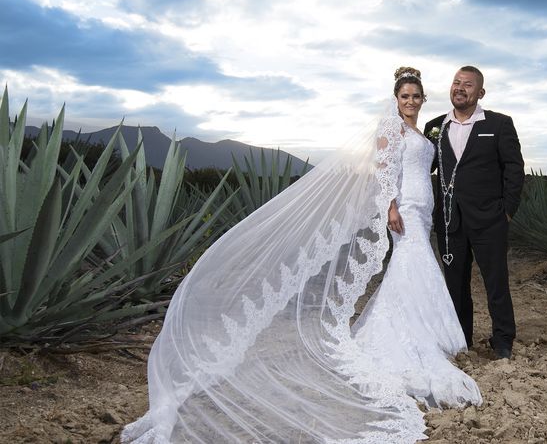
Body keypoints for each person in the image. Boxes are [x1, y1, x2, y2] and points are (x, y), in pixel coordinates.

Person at [122, 67, 479, 443]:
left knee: (415, 267)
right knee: (411, 265)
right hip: (404, 207)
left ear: (423, 100)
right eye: (404, 96)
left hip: (424, 209)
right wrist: (390, 206)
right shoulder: (390, 130)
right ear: (396, 99)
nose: (410, 101)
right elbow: (384, 170)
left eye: (415, 96)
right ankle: (406, 335)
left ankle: (421, 328)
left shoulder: (423, 134)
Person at [423, 66, 524, 360]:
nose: (460, 87)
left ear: (480, 93)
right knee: (455, 284)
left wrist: (507, 211)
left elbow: (514, 169)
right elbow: (420, 165)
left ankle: (503, 339)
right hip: (449, 221)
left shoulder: (499, 124)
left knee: (496, 282)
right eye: (456, 82)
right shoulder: (435, 126)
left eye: (467, 84)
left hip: (490, 220)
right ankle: (460, 338)